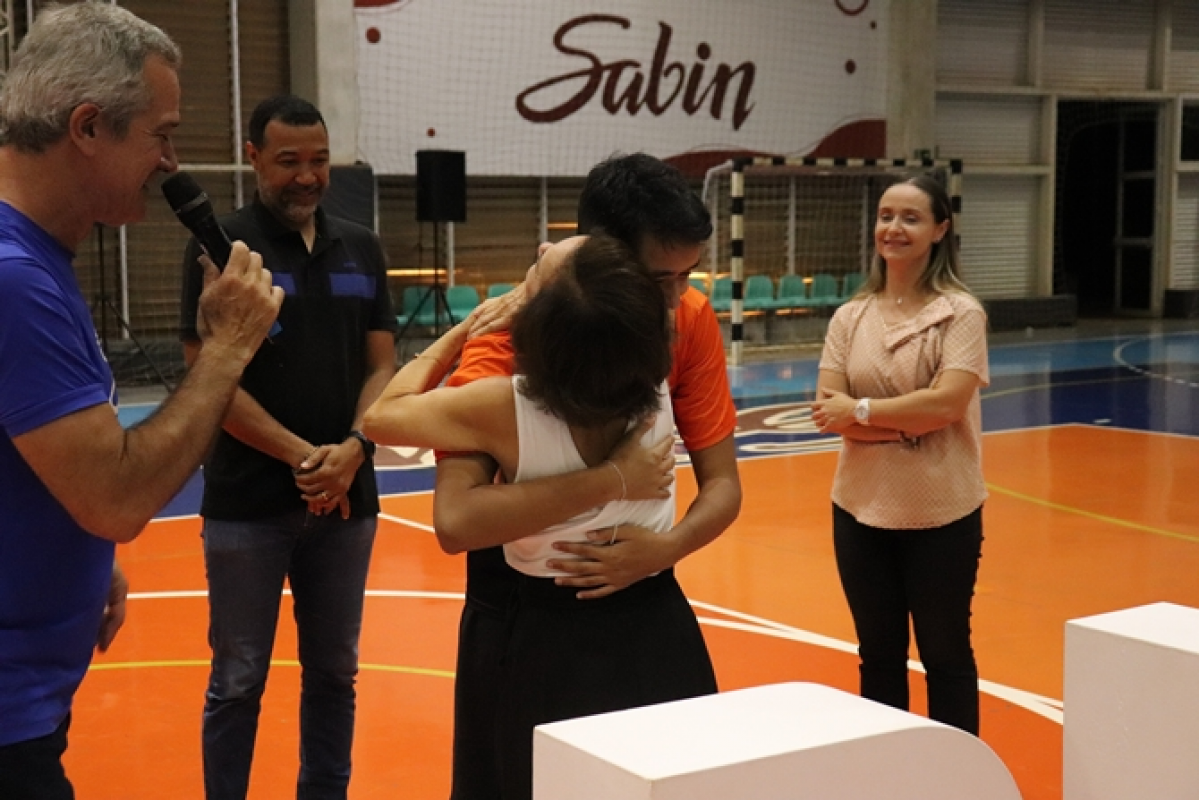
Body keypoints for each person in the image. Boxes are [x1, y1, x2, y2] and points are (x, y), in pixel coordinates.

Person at [0, 4, 283, 798]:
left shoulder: (33, 261)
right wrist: (226, 348)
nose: (170, 162)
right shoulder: (15, 281)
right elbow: (117, 499)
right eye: (160, 135)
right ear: (88, 126)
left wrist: (84, 558)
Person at [364, 234, 716, 800]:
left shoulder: (505, 404)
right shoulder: (651, 381)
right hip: (656, 623)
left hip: (550, 639)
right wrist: (616, 479)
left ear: (537, 324)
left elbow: (381, 418)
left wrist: (461, 331)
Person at [435, 152, 741, 799]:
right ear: (602, 259)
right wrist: (613, 480)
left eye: (687, 275)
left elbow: (724, 485)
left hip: (647, 593)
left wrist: (665, 549)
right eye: (659, 279)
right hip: (523, 608)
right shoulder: (504, 341)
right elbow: (455, 521)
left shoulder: (689, 319)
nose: (675, 297)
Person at [178, 95, 396, 799]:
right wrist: (304, 455)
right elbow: (207, 377)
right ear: (253, 159)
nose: (307, 176)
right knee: (237, 680)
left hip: (347, 501)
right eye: (289, 161)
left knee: (335, 673)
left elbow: (382, 365)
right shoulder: (222, 250)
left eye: (320, 160)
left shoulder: (362, 246)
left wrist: (354, 449)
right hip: (249, 504)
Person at [810, 174, 989, 735]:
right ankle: (888, 767)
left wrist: (862, 412)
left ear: (940, 230)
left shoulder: (961, 314)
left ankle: (958, 771)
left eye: (911, 218)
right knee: (878, 654)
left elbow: (947, 405)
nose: (893, 227)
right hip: (859, 509)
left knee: (945, 654)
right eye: (886, 215)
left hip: (942, 514)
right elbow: (828, 411)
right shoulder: (851, 317)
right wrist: (906, 426)